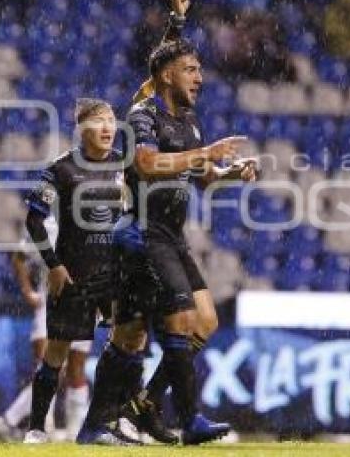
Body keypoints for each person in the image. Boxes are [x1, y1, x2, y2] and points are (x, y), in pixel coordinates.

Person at [79, 40, 256, 446]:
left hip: (172, 236)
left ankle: (144, 406)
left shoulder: (190, 120)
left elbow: (206, 175)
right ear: (166, 75)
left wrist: (233, 172)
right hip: (144, 230)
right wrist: (204, 154)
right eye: (190, 69)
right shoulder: (143, 115)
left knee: (204, 321)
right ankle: (185, 418)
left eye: (199, 69)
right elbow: (144, 163)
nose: (199, 77)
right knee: (158, 326)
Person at [20, 98, 125, 445]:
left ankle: (108, 425)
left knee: (127, 347)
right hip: (73, 274)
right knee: (56, 354)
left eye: (111, 120)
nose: (108, 127)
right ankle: (36, 428)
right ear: (81, 129)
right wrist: (54, 266)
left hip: (113, 275)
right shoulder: (60, 169)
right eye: (99, 121)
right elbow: (33, 220)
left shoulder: (123, 165)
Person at [0, 222, 93, 442]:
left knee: (76, 367)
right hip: (52, 298)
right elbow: (18, 256)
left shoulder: (91, 216)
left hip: (85, 296)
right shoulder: (46, 222)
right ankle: (32, 425)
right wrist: (28, 291)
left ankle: (75, 435)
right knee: (50, 366)